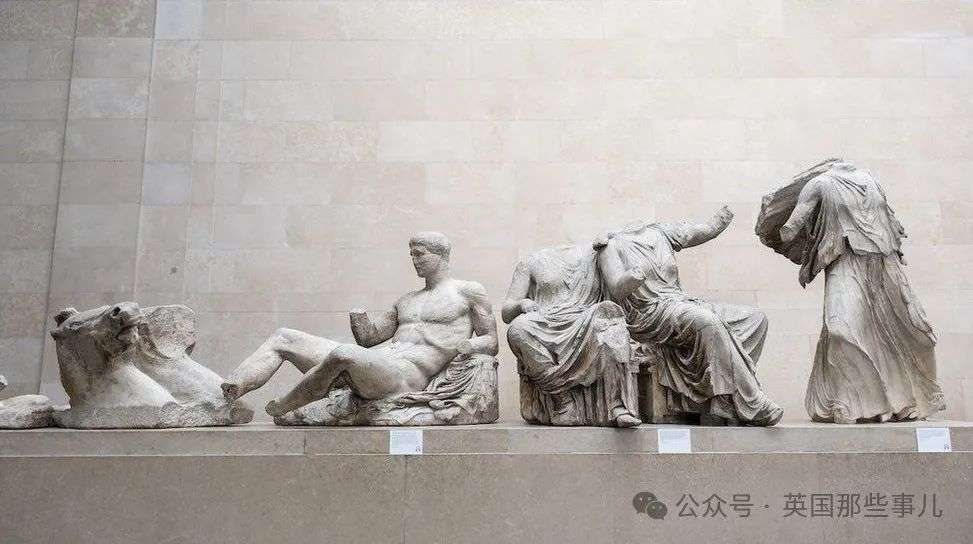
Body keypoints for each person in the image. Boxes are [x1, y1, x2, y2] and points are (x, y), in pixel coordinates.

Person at [221, 232, 499, 417]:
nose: (414, 260)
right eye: (411, 254)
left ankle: (287, 404)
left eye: (419, 254)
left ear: (440, 255)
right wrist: (358, 317)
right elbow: (368, 339)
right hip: (377, 364)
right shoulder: (407, 300)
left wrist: (469, 345)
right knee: (285, 337)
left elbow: (492, 340)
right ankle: (232, 390)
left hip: (406, 377)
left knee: (344, 354)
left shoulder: (468, 291)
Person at [780, 161, 944, 423]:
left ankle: (902, 401)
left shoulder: (871, 181)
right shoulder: (819, 184)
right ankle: (855, 402)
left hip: (884, 263)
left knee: (910, 331)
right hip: (845, 261)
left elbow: (891, 222)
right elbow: (791, 228)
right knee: (840, 328)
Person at [595, 206, 783, 426]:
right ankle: (751, 401)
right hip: (650, 314)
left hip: (681, 303)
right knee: (707, 322)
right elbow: (617, 288)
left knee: (755, 319)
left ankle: (723, 400)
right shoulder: (610, 245)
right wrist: (634, 276)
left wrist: (725, 216)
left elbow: (706, 230)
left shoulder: (661, 233)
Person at [503, 244, 640, 427]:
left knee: (612, 325)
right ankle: (561, 399)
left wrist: (634, 276)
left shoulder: (599, 254)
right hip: (546, 322)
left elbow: (618, 288)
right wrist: (521, 304)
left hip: (586, 318)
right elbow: (506, 311)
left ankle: (617, 407)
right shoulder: (530, 262)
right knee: (517, 329)